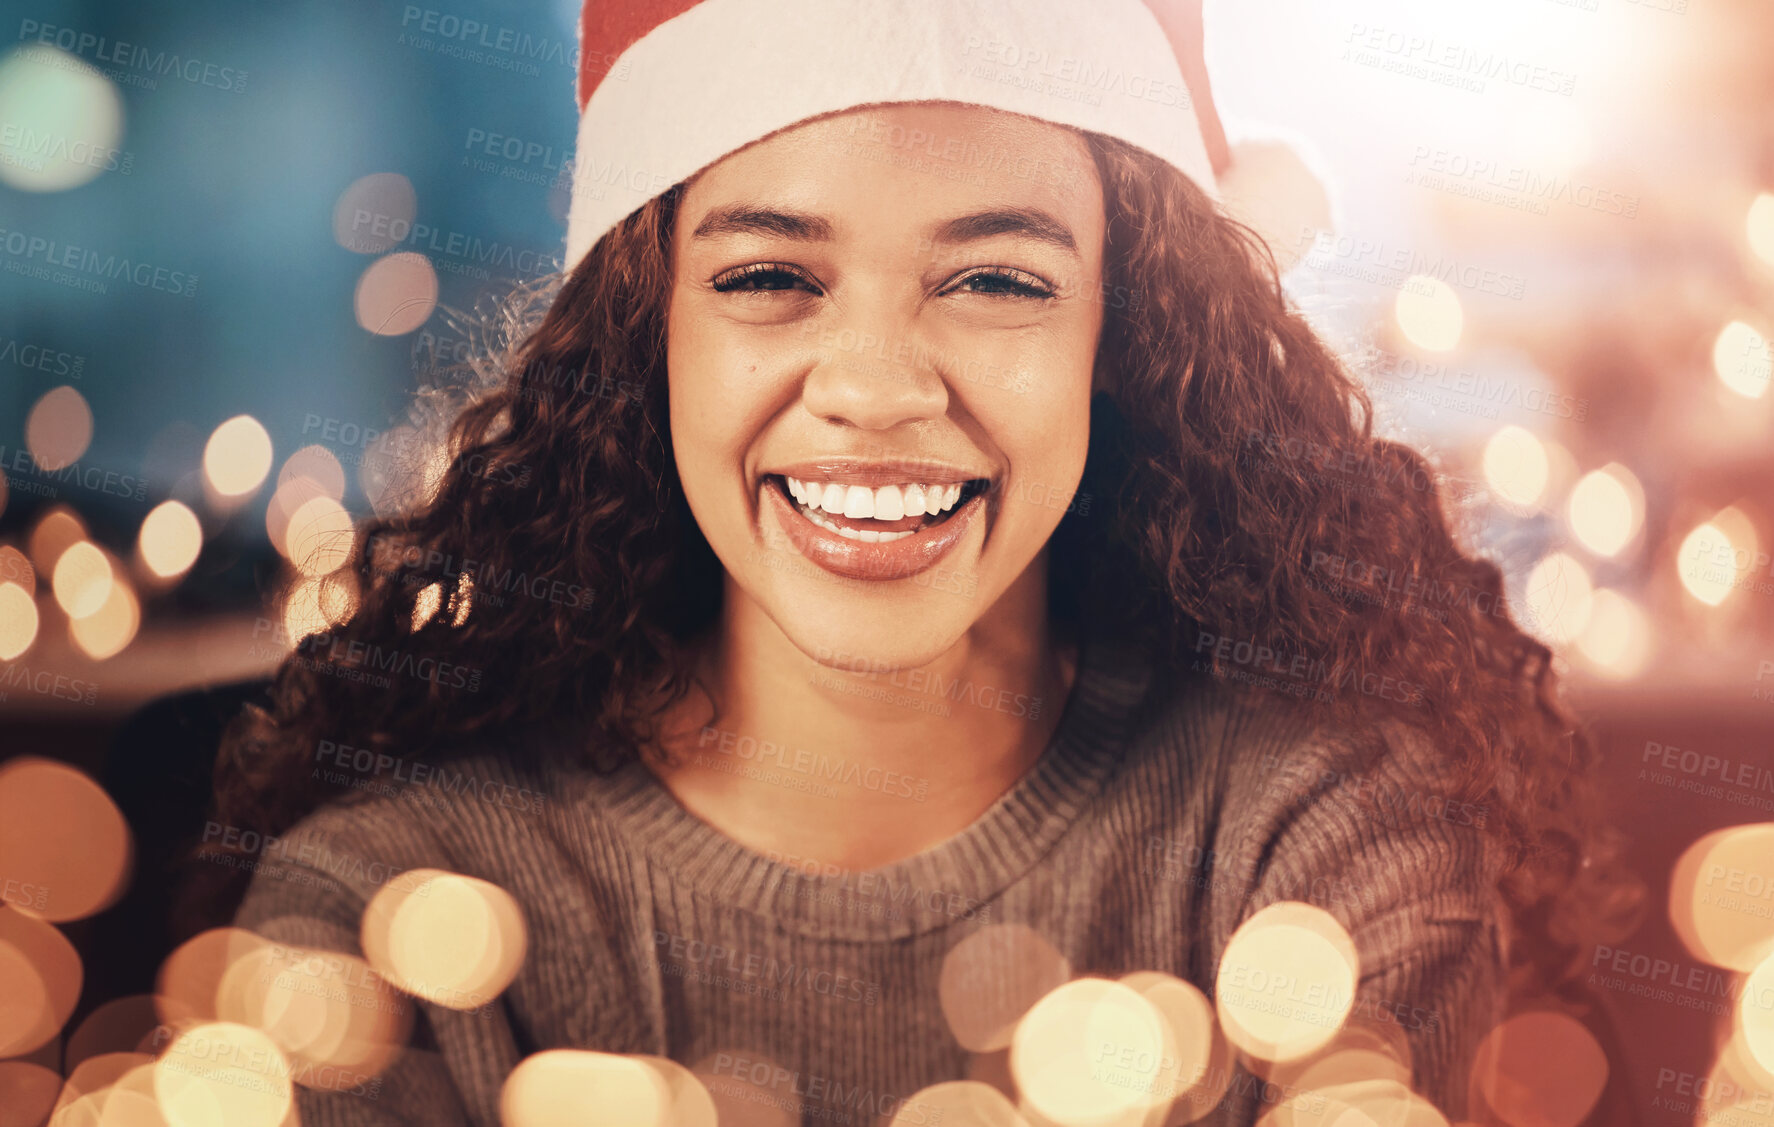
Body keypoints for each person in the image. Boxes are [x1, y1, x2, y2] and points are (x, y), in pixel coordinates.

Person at [211, 1, 1628, 1123]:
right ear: (646, 343)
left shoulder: (1317, 848)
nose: (877, 388)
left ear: (1120, 343)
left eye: (997, 281)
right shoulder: (391, 908)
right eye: (768, 277)